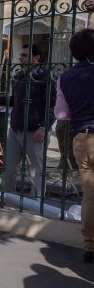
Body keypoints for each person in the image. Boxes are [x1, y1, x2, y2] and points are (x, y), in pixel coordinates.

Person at [54, 28, 94, 263]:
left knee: (90, 195)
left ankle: (90, 246)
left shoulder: (65, 78)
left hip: (83, 138)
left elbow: (61, 114)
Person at [4, 45, 55, 196]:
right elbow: (15, 100)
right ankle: (8, 197)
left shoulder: (46, 76)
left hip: (35, 130)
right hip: (16, 128)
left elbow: (52, 104)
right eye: (21, 55)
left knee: (36, 169)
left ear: (37, 58)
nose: (20, 58)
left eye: (25, 55)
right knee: (10, 166)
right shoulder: (20, 76)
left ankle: (38, 201)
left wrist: (44, 127)